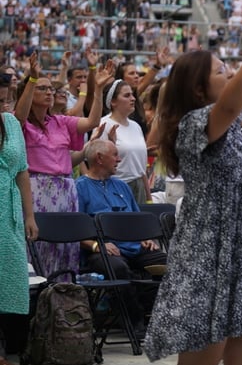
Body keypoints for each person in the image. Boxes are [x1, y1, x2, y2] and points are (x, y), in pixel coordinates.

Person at [142, 8, 242, 365]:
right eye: (222, 70)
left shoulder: (229, 123)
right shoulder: (194, 125)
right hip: (210, 266)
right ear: (200, 90)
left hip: (240, 263)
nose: (231, 75)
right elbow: (239, 95)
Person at [16, 52, 113, 279]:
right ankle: (37, 301)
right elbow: (20, 116)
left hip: (65, 189)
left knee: (64, 248)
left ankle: (63, 298)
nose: (49, 92)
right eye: (43, 88)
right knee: (37, 247)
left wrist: (97, 90)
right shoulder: (21, 123)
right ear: (28, 92)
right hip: (36, 190)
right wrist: (32, 78)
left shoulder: (60, 121)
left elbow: (92, 122)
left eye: (51, 88)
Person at [76, 139, 167, 337]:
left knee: (171, 263)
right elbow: (76, 231)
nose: (119, 159)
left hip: (133, 246)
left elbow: (137, 221)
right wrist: (95, 246)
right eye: (115, 155)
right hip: (101, 249)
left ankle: (149, 310)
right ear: (99, 158)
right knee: (118, 268)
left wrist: (146, 237)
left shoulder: (122, 186)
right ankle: (133, 320)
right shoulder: (80, 188)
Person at [0, 79, 38, 365]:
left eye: (5, 100)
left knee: (8, 283)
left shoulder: (11, 123)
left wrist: (29, 215)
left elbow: (22, 171)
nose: (3, 106)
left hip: (8, 212)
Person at [100, 79, 149, 204]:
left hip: (140, 187)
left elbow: (141, 168)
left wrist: (149, 197)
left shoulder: (136, 126)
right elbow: (98, 163)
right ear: (113, 102)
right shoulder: (104, 125)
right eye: (127, 95)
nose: (133, 99)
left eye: (132, 95)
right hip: (116, 186)